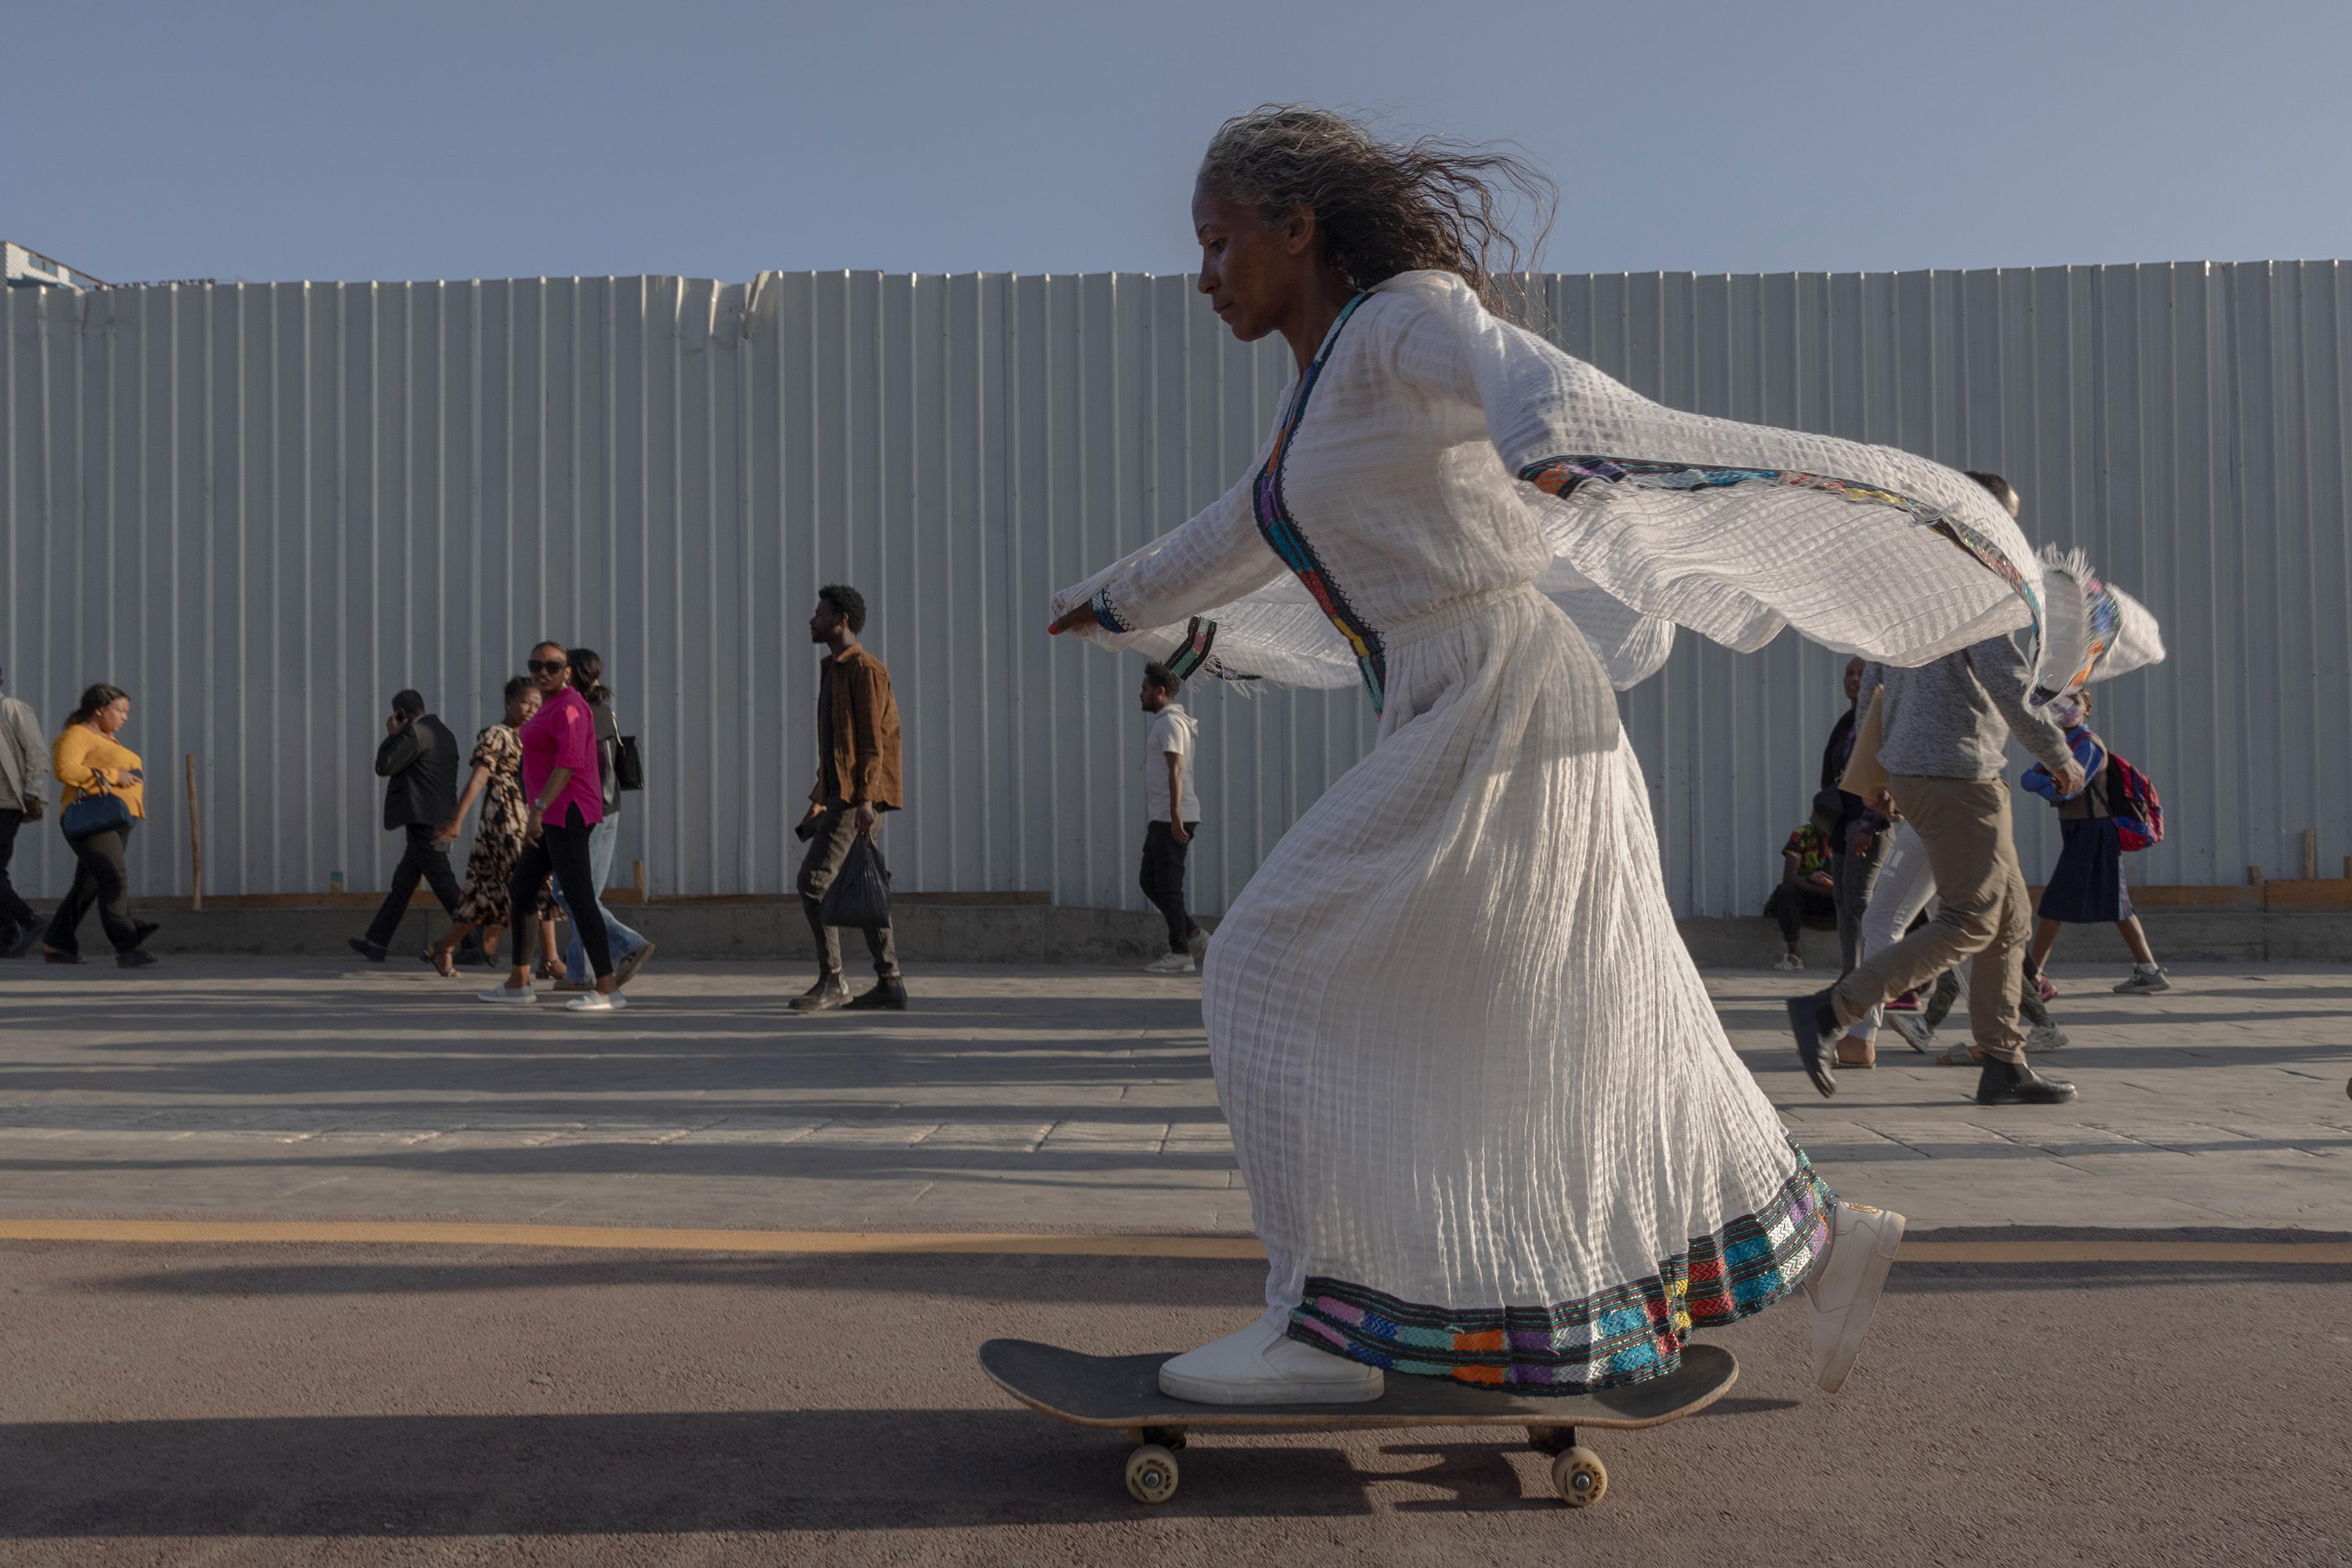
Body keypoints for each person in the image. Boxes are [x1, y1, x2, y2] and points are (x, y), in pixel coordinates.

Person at [1045, 108, 2047, 1406]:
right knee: (1603, 1011)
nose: (1204, 275)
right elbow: (1239, 529)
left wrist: (1548, 439)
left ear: (1298, 229)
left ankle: (1325, 1331)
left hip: (1502, 695)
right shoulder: (1315, 403)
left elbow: (1505, 359)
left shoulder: (1403, 316)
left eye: (1220, 241)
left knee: (1261, 963)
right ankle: (1828, 1242)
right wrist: (1113, 599)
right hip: (1465, 700)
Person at [1787, 472, 2085, 1108]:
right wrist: (2059, 754)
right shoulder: (1978, 586)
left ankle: (2003, 1058)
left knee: (2009, 919)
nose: (2012, 531)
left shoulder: (1912, 587)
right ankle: (1832, 1009)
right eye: (2005, 517)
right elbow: (2009, 687)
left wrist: (1876, 776)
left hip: (1927, 770)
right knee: (1971, 918)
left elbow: (1875, 684)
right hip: (1956, 775)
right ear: (1978, 517)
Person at [1847, 814, 2068, 1064]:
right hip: (1949, 809)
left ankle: (1861, 1038)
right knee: (1957, 929)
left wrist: (2060, 771)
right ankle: (1995, 1040)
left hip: (1939, 807)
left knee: (1884, 921)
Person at [477, 644, 623, 1012]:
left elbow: (570, 763)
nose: (543, 672)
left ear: (568, 671)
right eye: (536, 665)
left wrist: (538, 809)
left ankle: (608, 989)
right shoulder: (550, 704)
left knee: (579, 897)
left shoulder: (571, 707)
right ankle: (519, 982)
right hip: (551, 813)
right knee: (523, 887)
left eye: (553, 666)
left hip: (568, 812)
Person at [790, 585, 907, 1013]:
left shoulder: (865, 669)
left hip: (858, 797)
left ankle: (834, 980)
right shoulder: (835, 668)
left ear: (841, 619)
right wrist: (821, 795)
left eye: (819, 613)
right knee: (863, 881)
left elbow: (873, 743)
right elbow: (837, 745)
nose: (812, 619)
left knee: (814, 882)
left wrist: (864, 800)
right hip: (843, 794)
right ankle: (889, 981)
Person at [2023, 690, 2169, 995]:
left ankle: (2031, 977)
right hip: (2081, 831)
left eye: (2071, 703)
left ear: (2086, 708)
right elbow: (2030, 779)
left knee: (2055, 904)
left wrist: (2047, 781)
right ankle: (2149, 970)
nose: (2064, 710)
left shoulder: (2087, 746)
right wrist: (2047, 780)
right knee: (2117, 905)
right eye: (2057, 705)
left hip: (2094, 831)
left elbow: (2066, 791)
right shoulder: (2061, 748)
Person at [424, 677, 555, 977]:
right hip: (504, 820)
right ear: (508, 701)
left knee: (488, 896)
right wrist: (457, 819)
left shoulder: (536, 736)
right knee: (539, 881)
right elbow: (479, 778)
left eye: (537, 705)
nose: (531, 710)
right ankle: (550, 960)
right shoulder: (497, 735)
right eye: (525, 702)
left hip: (529, 813)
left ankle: (443, 947)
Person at [551, 649, 654, 992]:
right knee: (584, 894)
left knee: (571, 892)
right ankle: (580, 971)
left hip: (588, 812)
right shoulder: (605, 712)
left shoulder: (577, 713)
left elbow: (572, 766)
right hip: (608, 807)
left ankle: (629, 943)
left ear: (572, 675)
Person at [43, 684, 157, 968]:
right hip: (92, 821)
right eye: (119, 711)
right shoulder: (76, 735)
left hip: (117, 820)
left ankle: (57, 943)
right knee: (114, 881)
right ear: (99, 709)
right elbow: (65, 771)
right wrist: (113, 774)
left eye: (126, 712)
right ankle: (128, 945)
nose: (124, 717)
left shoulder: (108, 740)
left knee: (88, 886)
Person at [349, 690, 462, 962]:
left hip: (423, 820)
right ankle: (377, 942)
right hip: (438, 816)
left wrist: (393, 734)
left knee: (444, 884)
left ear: (401, 712)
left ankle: (476, 941)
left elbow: (385, 766)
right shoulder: (444, 732)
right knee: (404, 883)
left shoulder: (415, 733)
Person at [1137, 662, 1208, 975]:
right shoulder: (1167, 723)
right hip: (1164, 816)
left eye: (1145, 690)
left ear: (1160, 691)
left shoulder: (1170, 723)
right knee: (1150, 881)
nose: (1141, 694)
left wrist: (1175, 814)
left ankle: (1181, 953)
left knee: (1167, 886)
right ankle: (1193, 935)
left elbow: (1176, 769)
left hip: (1172, 817)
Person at [1823, 657, 1887, 974]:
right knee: (1843, 903)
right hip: (1842, 826)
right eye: (1849, 672)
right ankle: (1851, 975)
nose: (1854, 678)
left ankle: (1887, 973)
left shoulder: (1878, 723)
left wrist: (1868, 825)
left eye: (1862, 673)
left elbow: (1880, 778)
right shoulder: (1847, 722)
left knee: (1862, 903)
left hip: (1868, 826)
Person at [0, 667, 47, 958]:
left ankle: (29, 920)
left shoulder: (13, 709)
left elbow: (37, 752)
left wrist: (33, 792)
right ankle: (7, 936)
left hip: (6, 804)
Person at [1763, 818, 1835, 970]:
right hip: (1809, 895)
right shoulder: (1803, 835)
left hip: (1837, 898)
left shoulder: (1849, 836)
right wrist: (1821, 889)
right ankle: (1794, 955)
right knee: (1786, 891)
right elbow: (1789, 876)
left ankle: (1861, 958)